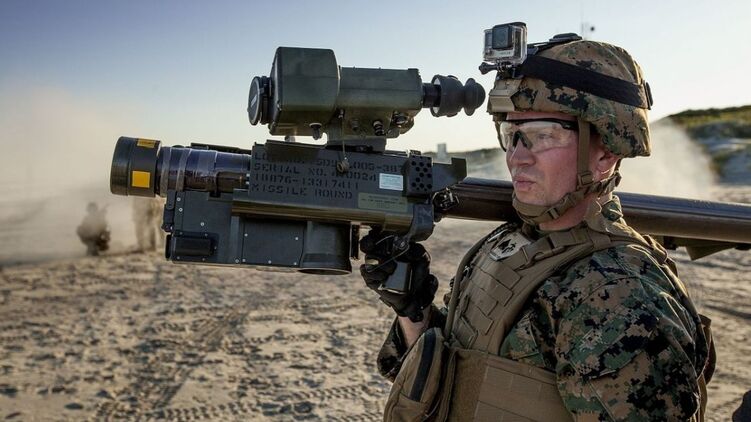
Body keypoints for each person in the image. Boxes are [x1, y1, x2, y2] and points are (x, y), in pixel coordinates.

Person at [360, 37, 714, 421]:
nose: (517, 156)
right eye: (511, 135)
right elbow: (451, 384)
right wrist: (412, 309)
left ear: (606, 153)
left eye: (542, 136)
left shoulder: (614, 294)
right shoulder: (511, 243)